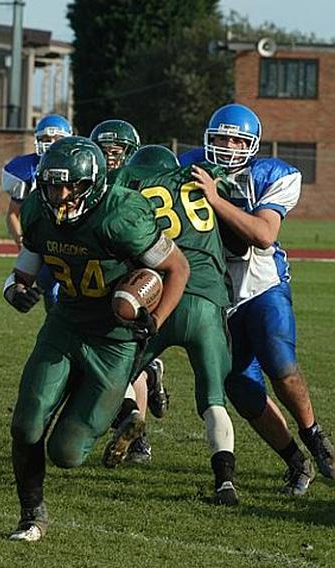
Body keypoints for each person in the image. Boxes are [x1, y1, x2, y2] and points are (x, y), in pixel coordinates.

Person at [3, 136, 189, 542]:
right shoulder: (38, 209)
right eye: (53, 185)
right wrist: (15, 289)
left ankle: (134, 381)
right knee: (26, 422)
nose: (61, 194)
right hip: (66, 323)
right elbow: (26, 266)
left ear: (96, 184)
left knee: (66, 453)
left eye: (71, 186)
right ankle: (31, 514)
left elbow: (178, 269)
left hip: (114, 338)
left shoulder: (120, 215)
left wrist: (155, 320)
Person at [180, 103, 335, 495]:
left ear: (251, 144)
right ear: (208, 138)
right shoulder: (188, 166)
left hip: (262, 285)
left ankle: (315, 438)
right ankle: (295, 462)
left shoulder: (274, 174)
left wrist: (215, 200)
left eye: (237, 139)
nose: (228, 146)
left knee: (280, 365)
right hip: (216, 295)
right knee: (239, 387)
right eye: (222, 137)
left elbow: (264, 234)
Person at [109, 144, 239, 505]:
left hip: (162, 297)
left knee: (119, 372)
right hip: (207, 299)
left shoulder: (131, 184)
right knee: (214, 399)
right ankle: (225, 482)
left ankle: (131, 413)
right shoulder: (198, 175)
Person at [90, 121, 167, 465]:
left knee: (116, 356)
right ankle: (146, 388)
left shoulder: (136, 186)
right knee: (121, 360)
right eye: (103, 151)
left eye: (116, 151)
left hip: (134, 274)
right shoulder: (89, 179)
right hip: (100, 273)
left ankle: (137, 435)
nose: (109, 158)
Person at [1, 114, 72, 247]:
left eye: (56, 139)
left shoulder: (77, 166)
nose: (51, 144)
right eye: (46, 139)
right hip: (37, 236)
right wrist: (19, 239)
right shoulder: (26, 169)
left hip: (71, 237)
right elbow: (13, 213)